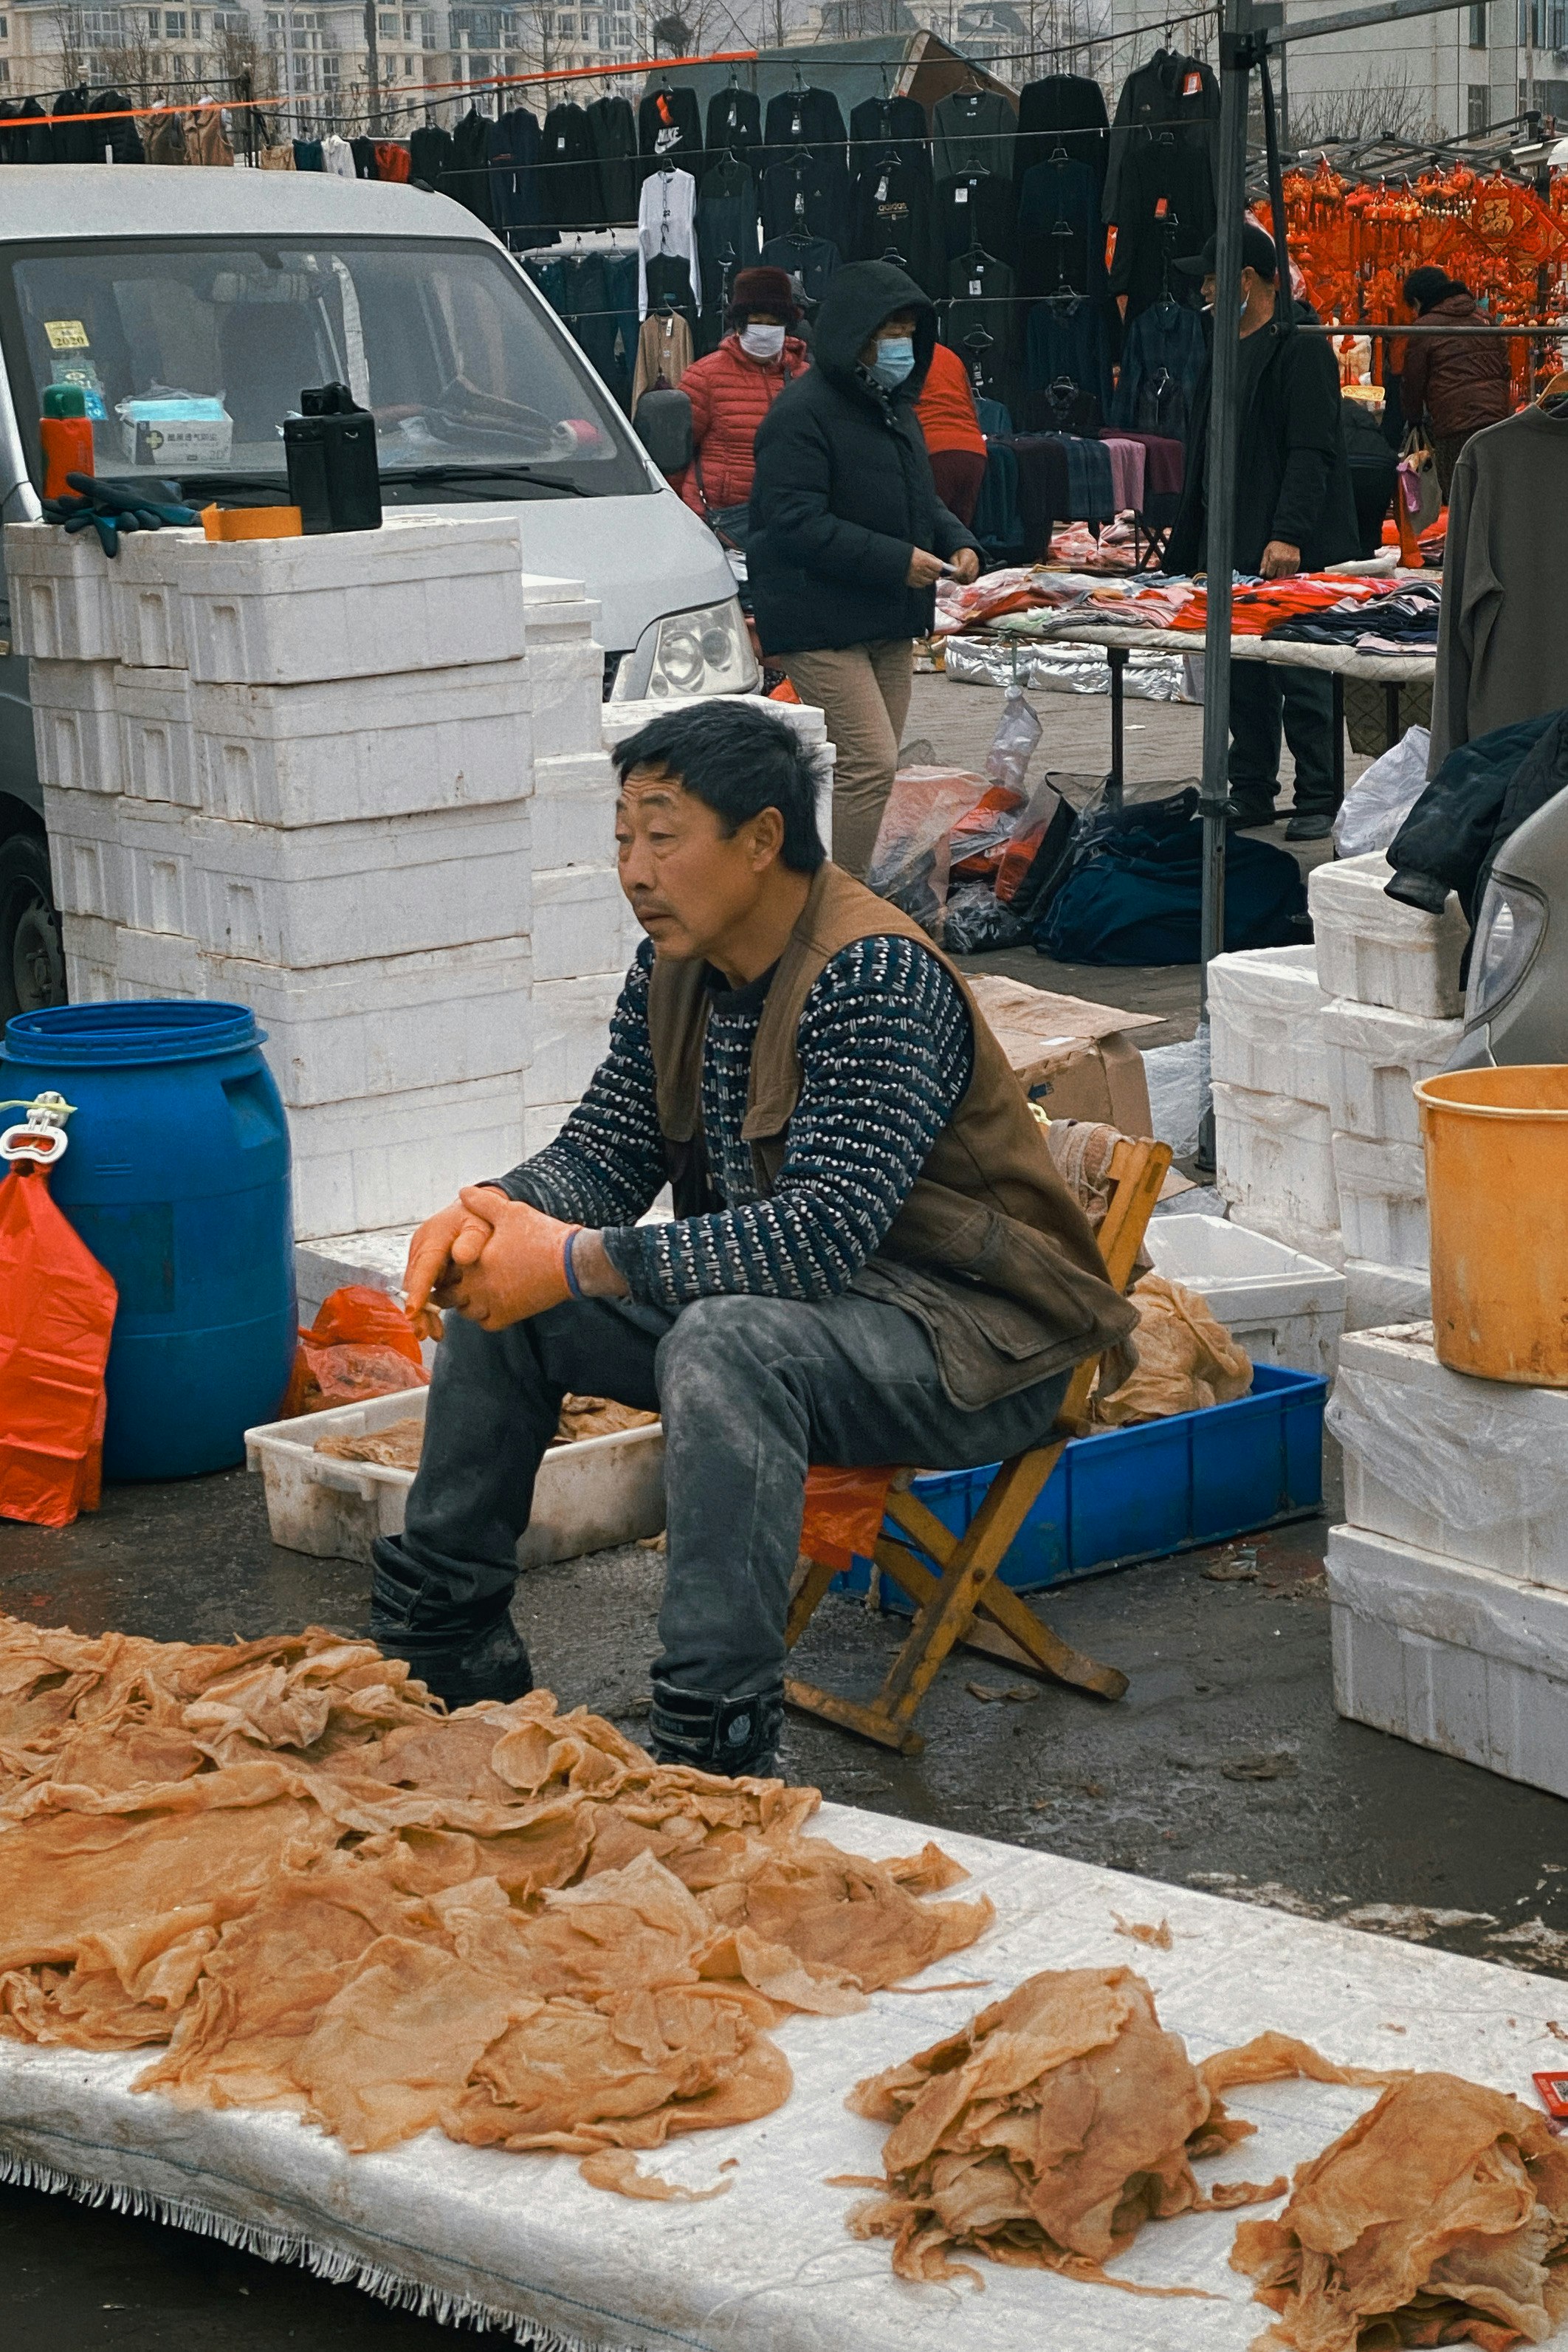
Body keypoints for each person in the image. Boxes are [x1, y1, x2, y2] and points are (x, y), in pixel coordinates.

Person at [369, 699, 1135, 1777]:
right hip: (794, 1312)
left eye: (664, 833)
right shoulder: (675, 964)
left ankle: (713, 1739)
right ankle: (445, 1642)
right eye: (623, 835)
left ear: (763, 837)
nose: (634, 868)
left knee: (721, 1339)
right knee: (511, 1304)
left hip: (970, 1339)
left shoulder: (874, 973)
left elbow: (820, 1235)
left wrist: (577, 1258)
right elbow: (607, 1152)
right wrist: (493, 1214)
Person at [747, 260, 983, 880]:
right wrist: (895, 559)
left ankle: (817, 883)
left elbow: (918, 497)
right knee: (870, 761)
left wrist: (958, 540)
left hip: (883, 615)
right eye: (889, 332)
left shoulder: (894, 407)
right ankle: (836, 905)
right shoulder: (802, 414)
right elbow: (792, 520)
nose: (901, 345)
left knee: (866, 767)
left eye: (910, 331)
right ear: (856, 334)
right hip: (816, 617)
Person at [1166, 222, 1359, 843]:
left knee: (1300, 669)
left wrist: (1289, 532)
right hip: (1226, 534)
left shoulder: (1299, 346)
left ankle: (1319, 793)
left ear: (1246, 281)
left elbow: (1312, 449)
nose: (1204, 288)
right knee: (1240, 671)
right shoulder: (1219, 343)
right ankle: (1251, 785)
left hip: (1281, 539)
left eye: (1212, 278)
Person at [675, 265, 809, 537]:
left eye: (775, 324)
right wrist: (687, 516)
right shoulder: (704, 376)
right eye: (758, 321)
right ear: (739, 325)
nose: (766, 331)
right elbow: (676, 454)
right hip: (720, 523)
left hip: (790, 521)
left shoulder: (806, 379)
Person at [1399, 267, 1511, 503]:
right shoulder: (1485, 319)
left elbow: (1413, 383)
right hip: (1498, 422)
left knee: (1459, 498)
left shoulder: (1424, 328)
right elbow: (1504, 368)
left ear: (1419, 301)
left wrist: (1414, 419)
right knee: (1494, 497)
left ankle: (1463, 541)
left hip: (1455, 425)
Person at [914, 338, 990, 526]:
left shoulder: (904, 357)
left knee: (927, 536)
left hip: (931, 448)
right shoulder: (950, 356)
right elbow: (972, 405)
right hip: (973, 451)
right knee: (960, 539)